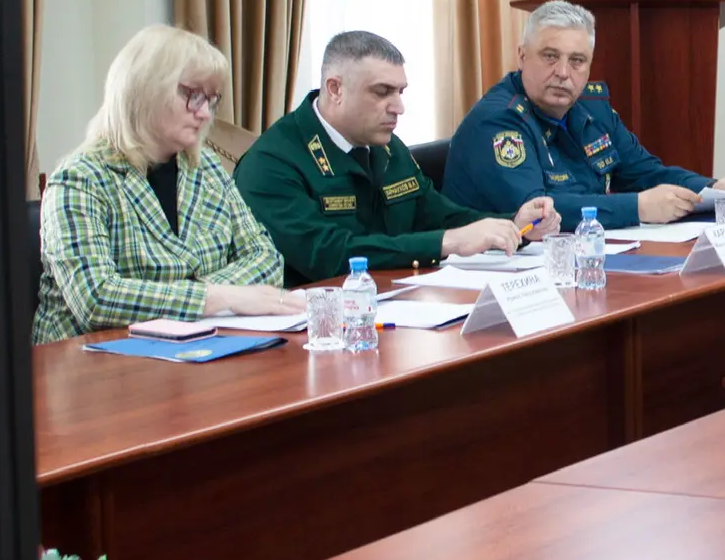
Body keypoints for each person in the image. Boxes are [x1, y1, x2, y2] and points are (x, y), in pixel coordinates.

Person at [34, 26, 297, 344]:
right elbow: (96, 298)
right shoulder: (79, 178)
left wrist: (197, 297)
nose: (204, 113)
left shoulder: (205, 167)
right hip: (92, 358)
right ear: (144, 90)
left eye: (211, 99)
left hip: (197, 346)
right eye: (192, 95)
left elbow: (265, 258)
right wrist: (218, 297)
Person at [236, 31, 558, 285]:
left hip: (396, 301)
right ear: (335, 89)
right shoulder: (271, 163)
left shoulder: (387, 148)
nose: (398, 108)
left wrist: (513, 225)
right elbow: (327, 255)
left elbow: (439, 215)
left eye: (400, 92)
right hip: (315, 324)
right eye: (382, 92)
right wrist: (446, 243)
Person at [444, 0, 725, 228]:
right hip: (500, 273)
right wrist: (638, 207)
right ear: (522, 56)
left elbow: (645, 172)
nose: (563, 72)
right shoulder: (499, 121)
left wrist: (710, 188)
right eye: (550, 56)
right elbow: (538, 214)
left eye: (577, 61)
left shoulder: (592, 107)